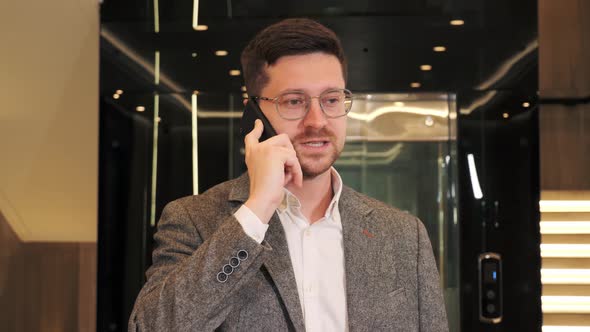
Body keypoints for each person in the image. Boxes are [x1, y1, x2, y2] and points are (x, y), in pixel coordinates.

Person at [129, 18, 448, 332]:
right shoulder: (193, 219)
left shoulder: (405, 236)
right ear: (253, 112)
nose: (317, 120)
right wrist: (256, 212)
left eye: (331, 99)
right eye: (294, 101)